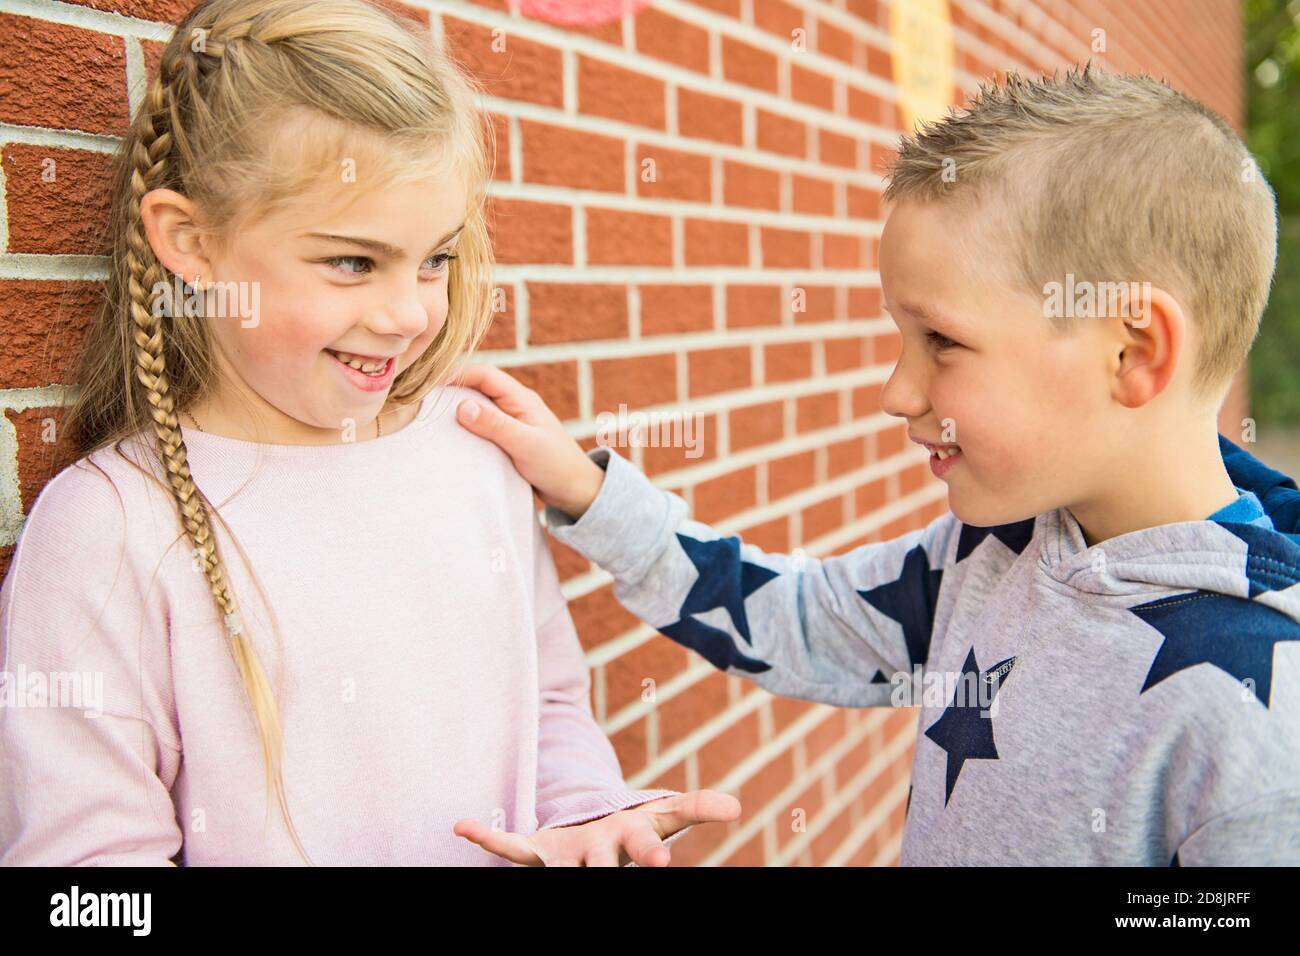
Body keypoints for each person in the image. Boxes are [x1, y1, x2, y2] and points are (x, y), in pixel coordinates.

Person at [453, 65, 1300, 865]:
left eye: (941, 340)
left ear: (1133, 352)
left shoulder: (1263, 717)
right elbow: (793, 619)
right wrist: (589, 493)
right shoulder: (992, 550)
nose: (898, 392)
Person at [0, 0, 737, 867]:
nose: (408, 314)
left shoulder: (474, 456)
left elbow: (548, 707)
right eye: (353, 261)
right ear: (190, 241)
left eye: (435, 259)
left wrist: (582, 815)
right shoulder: (108, 526)